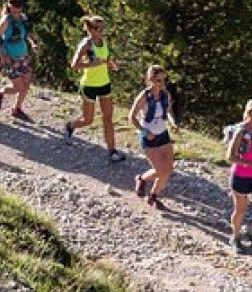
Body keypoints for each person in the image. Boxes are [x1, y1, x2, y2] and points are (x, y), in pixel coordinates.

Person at [62, 15, 124, 161]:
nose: (101, 31)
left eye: (103, 28)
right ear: (90, 29)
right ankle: (70, 126)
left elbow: (103, 60)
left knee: (108, 118)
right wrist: (91, 65)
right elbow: (74, 65)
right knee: (88, 120)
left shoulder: (103, 42)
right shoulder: (86, 44)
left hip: (104, 83)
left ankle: (112, 151)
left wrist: (110, 64)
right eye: (98, 28)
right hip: (89, 85)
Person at [223, 99, 252, 253]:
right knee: (240, 210)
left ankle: (250, 231)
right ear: (247, 113)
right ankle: (235, 237)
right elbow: (229, 157)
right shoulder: (241, 131)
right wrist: (250, 164)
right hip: (240, 175)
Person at [129, 65, 176, 206]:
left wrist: (173, 122)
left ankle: (153, 195)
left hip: (162, 134)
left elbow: (168, 110)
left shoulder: (165, 94)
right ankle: (142, 179)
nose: (161, 84)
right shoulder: (144, 96)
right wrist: (144, 132)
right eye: (158, 80)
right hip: (148, 136)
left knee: (168, 169)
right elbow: (131, 117)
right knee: (161, 170)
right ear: (150, 80)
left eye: (163, 80)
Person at [0, 0, 39, 121]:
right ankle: (0, 92)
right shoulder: (6, 20)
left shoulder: (22, 18)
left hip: (22, 56)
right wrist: (2, 54)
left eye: (19, 7)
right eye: (14, 7)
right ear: (9, 6)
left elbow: (26, 33)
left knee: (26, 84)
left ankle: (17, 109)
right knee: (18, 87)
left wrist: (32, 43)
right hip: (10, 58)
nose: (16, 10)